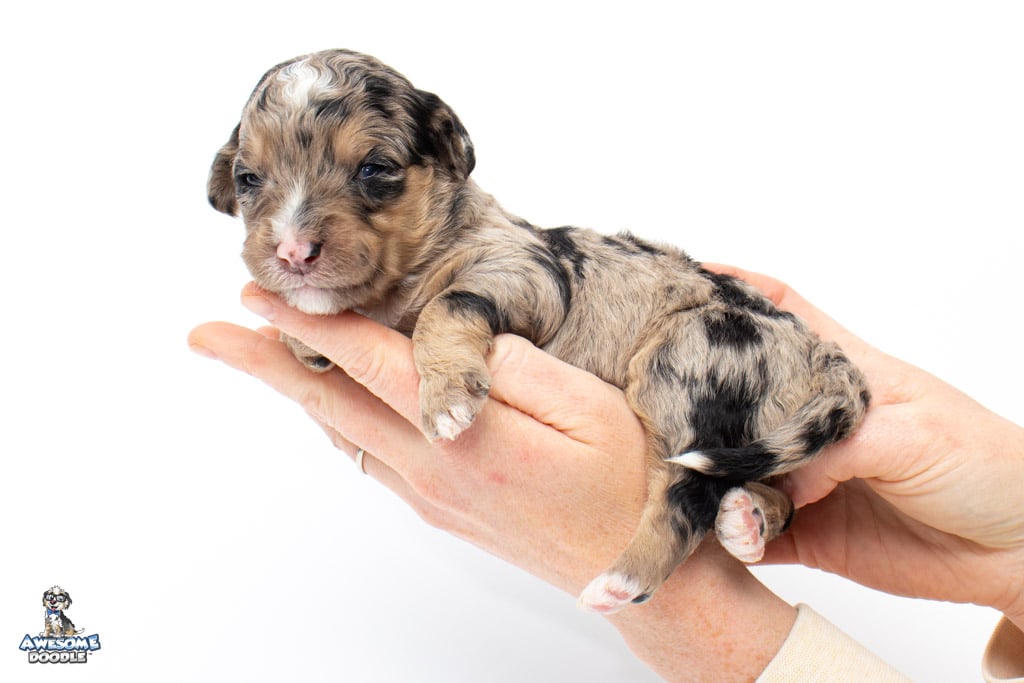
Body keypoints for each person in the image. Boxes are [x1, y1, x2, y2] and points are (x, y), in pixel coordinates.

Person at [188, 266, 1024, 682]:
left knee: (685, 401)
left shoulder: (486, 257)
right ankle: (747, 484)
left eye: (372, 175)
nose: (296, 241)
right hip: (750, 388)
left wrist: (701, 619)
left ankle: (676, 523)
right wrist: (1013, 550)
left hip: (699, 353)